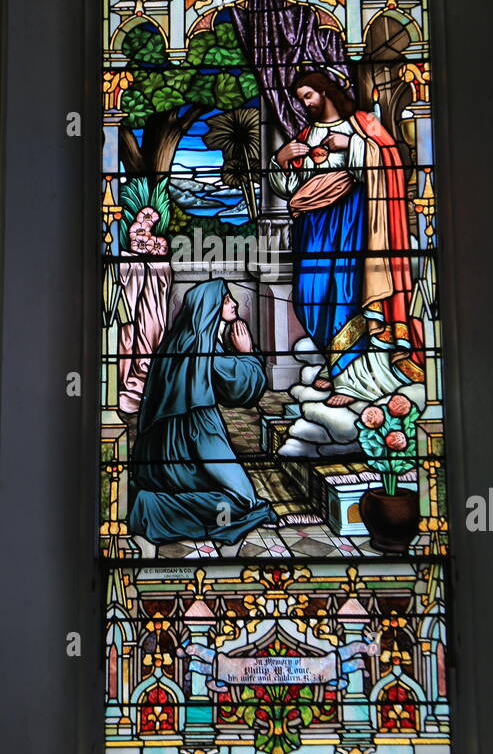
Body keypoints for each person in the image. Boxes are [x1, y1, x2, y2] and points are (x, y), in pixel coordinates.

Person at [268, 67, 424, 407]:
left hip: (350, 222)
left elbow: (389, 163)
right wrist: (281, 161)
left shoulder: (362, 125)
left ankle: (347, 377)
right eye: (300, 99)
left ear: (324, 92)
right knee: (310, 297)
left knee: (344, 292)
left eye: (308, 95)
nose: (306, 103)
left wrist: (352, 144)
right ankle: (331, 357)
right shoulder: (306, 135)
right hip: (312, 226)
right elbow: (292, 188)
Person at [128, 278, 274, 546]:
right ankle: (152, 509)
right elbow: (241, 389)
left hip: (161, 452)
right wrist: (247, 352)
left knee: (229, 494)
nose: (233, 304)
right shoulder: (202, 347)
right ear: (211, 306)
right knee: (244, 501)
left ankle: (152, 502)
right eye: (226, 299)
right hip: (197, 435)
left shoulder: (177, 344)